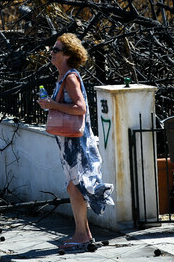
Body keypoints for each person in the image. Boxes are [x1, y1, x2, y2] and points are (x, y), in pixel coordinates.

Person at [37, 33, 114, 251]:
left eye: (56, 50)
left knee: (76, 186)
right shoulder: (63, 77)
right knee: (74, 186)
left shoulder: (70, 77)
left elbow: (80, 108)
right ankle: (83, 233)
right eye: (52, 49)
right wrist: (50, 104)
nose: (51, 52)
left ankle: (82, 234)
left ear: (68, 55)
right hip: (68, 142)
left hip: (76, 143)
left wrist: (52, 105)